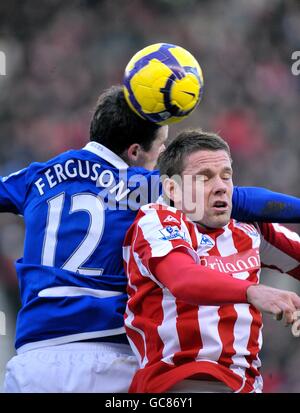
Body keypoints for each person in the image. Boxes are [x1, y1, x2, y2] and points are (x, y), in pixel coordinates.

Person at [2, 86, 300, 392]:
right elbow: (247, 200)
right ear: (134, 152)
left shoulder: (36, 176)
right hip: (111, 355)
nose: (161, 155)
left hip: (34, 356)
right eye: (161, 146)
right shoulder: (145, 188)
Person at [123, 129, 300, 393]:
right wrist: (252, 292)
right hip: (183, 380)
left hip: (245, 384)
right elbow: (182, 278)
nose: (220, 186)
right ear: (173, 188)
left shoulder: (249, 229)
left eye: (226, 176)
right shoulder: (157, 220)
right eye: (204, 178)